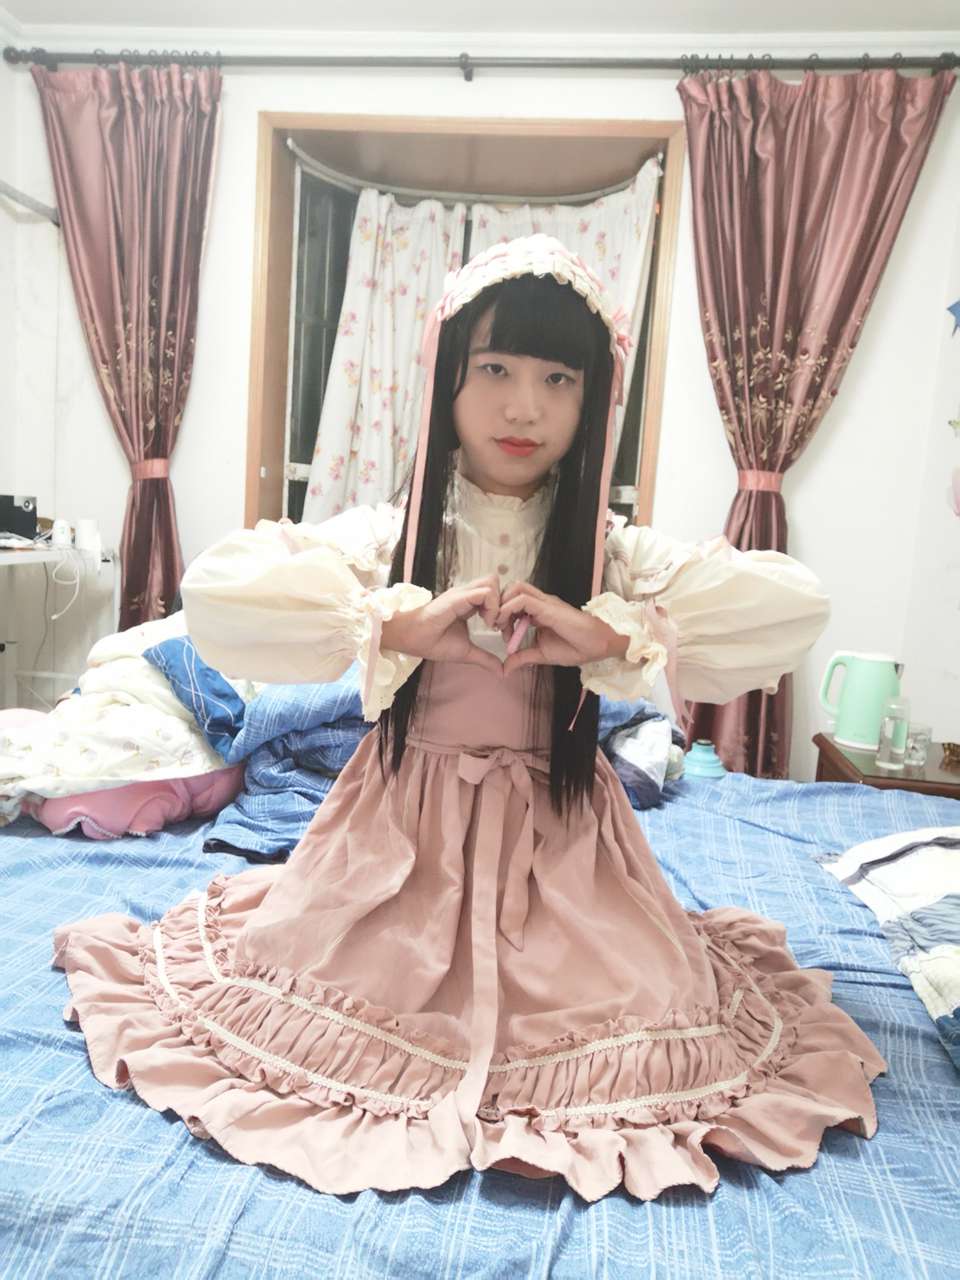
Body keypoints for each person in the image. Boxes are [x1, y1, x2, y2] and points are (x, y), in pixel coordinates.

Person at [54, 236, 884, 1203]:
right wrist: (391, 624)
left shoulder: (610, 552)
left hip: (566, 845)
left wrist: (608, 633)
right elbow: (218, 592)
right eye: (494, 369)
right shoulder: (394, 535)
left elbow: (793, 607)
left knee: (639, 1019)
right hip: (400, 836)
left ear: (593, 400)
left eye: (557, 378)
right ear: (446, 379)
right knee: (325, 993)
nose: (524, 407)